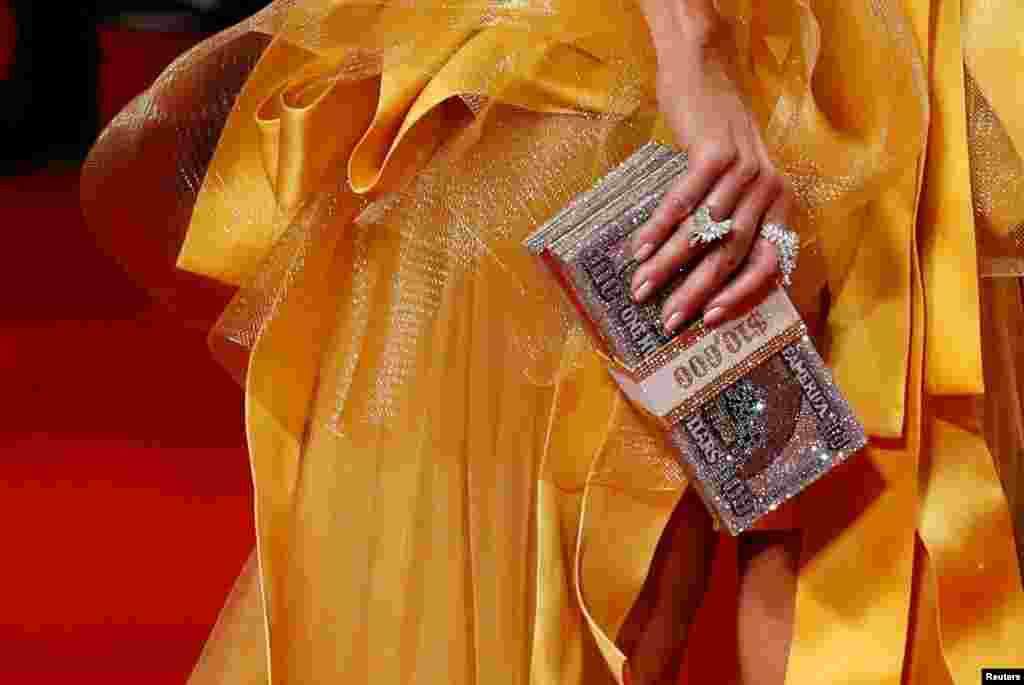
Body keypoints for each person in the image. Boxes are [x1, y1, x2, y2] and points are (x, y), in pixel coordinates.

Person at [81, 0, 1024, 683]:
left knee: (838, 529)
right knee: (615, 552)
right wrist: (687, 46)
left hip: (901, 61)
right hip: (632, 63)